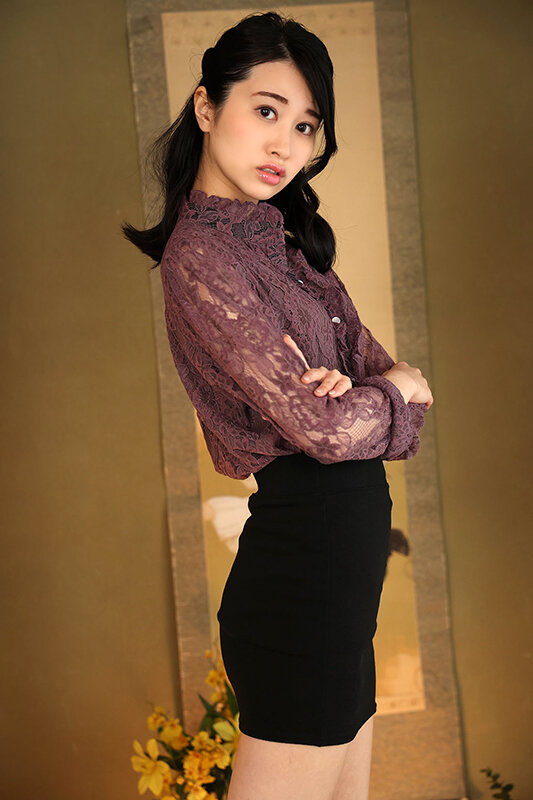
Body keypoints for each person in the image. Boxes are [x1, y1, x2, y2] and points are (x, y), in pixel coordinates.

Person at [122, 10, 433, 800]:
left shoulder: (288, 245)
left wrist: (374, 393)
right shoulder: (201, 258)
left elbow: (387, 383)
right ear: (206, 106)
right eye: (265, 110)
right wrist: (383, 394)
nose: (285, 145)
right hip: (301, 578)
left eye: (304, 125)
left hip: (340, 580)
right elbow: (334, 426)